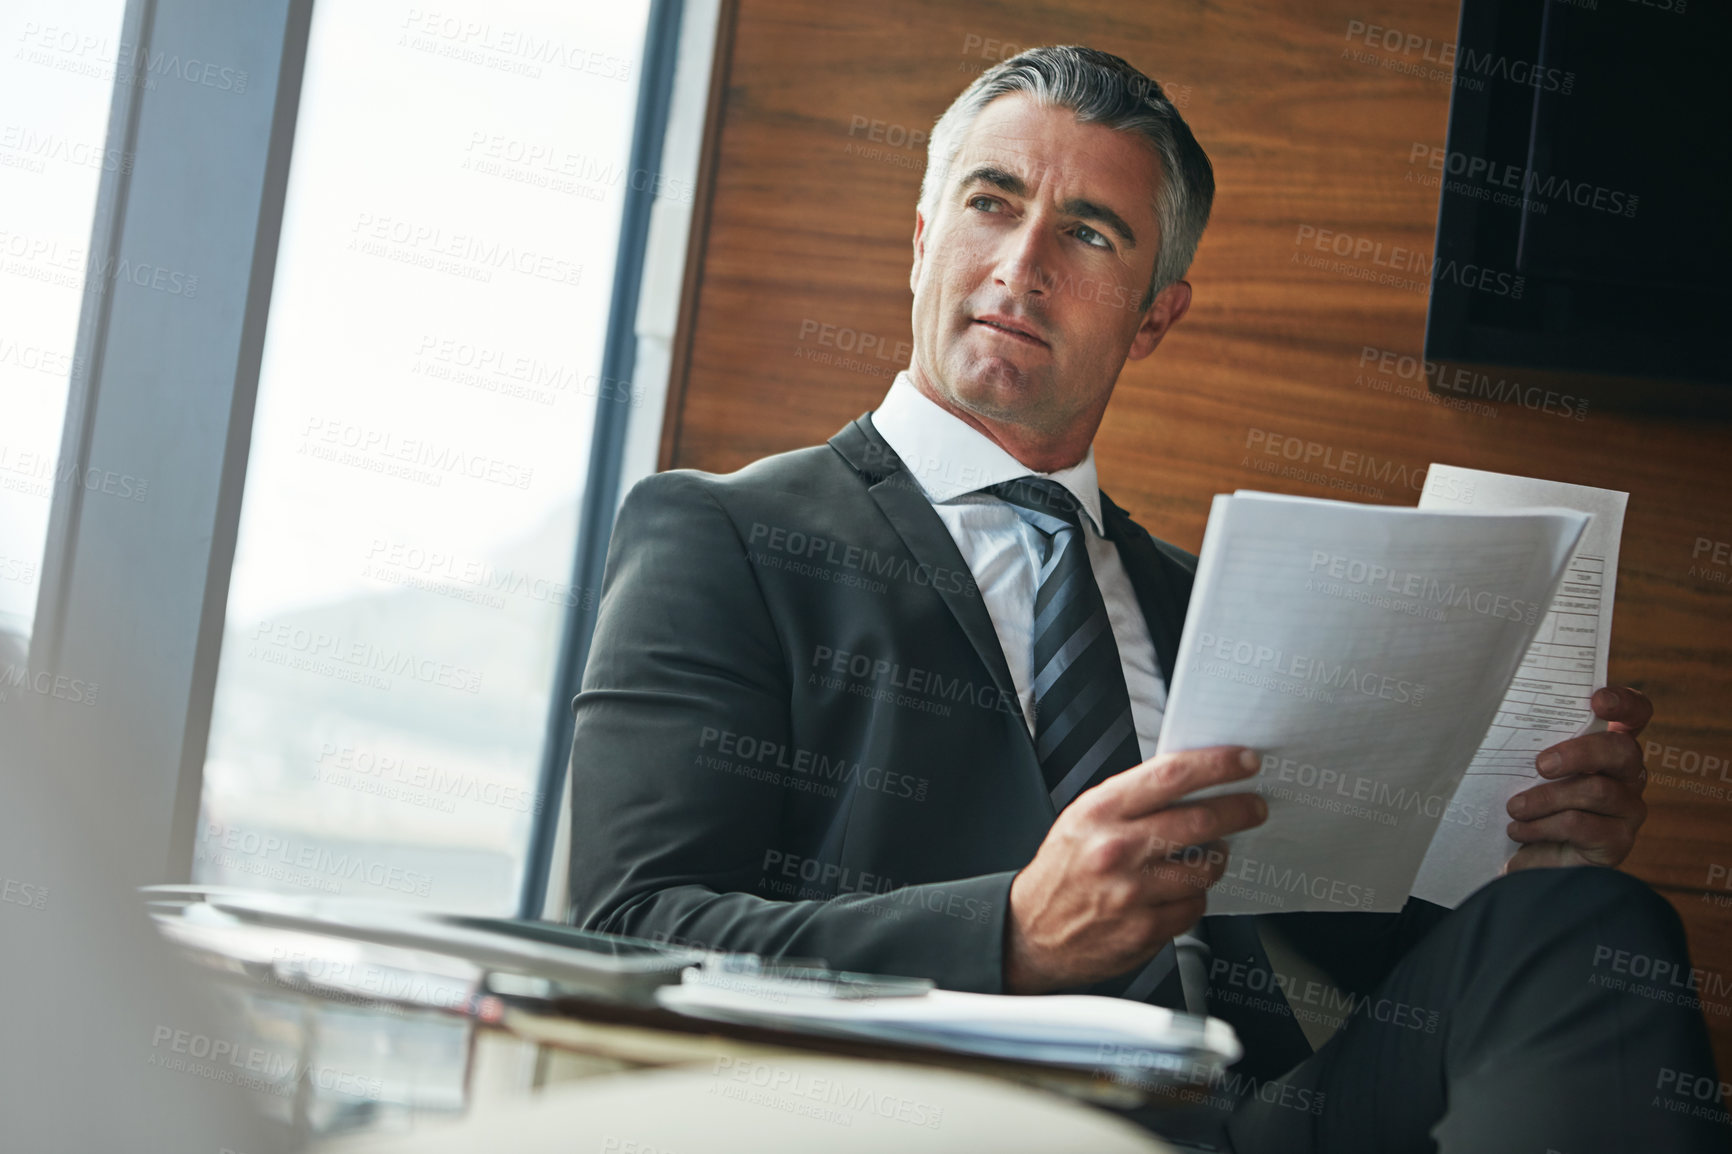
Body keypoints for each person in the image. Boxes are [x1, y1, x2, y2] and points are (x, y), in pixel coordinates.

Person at [567, 45, 1724, 1152]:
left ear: (1156, 314)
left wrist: (1518, 875)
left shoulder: (1213, 603)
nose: (1022, 264)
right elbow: (632, 937)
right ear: (921, 240)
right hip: (938, 1117)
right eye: (991, 201)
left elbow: (1353, 950)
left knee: (1586, 928)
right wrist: (1011, 934)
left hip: (1238, 1120)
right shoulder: (720, 535)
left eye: (1087, 232)